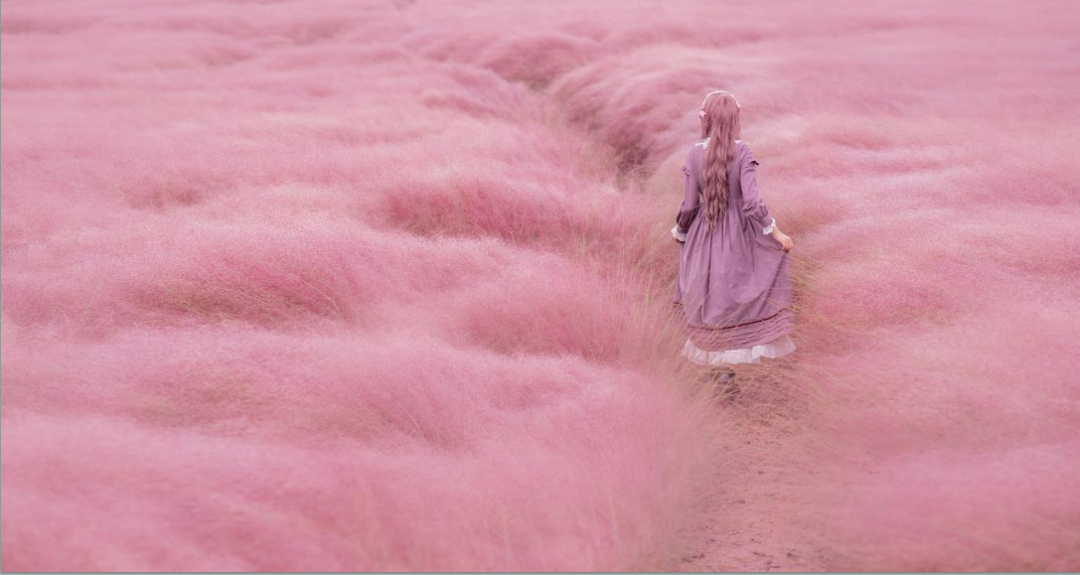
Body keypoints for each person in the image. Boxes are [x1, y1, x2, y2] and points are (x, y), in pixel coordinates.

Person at [671, 90, 796, 377]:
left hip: (704, 233)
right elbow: (751, 202)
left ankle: (720, 373)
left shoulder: (693, 153)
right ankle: (729, 368)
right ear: (735, 119)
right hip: (740, 233)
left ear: (705, 119)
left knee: (711, 294)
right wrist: (776, 233)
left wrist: (679, 231)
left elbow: (689, 205)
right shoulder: (742, 151)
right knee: (738, 290)